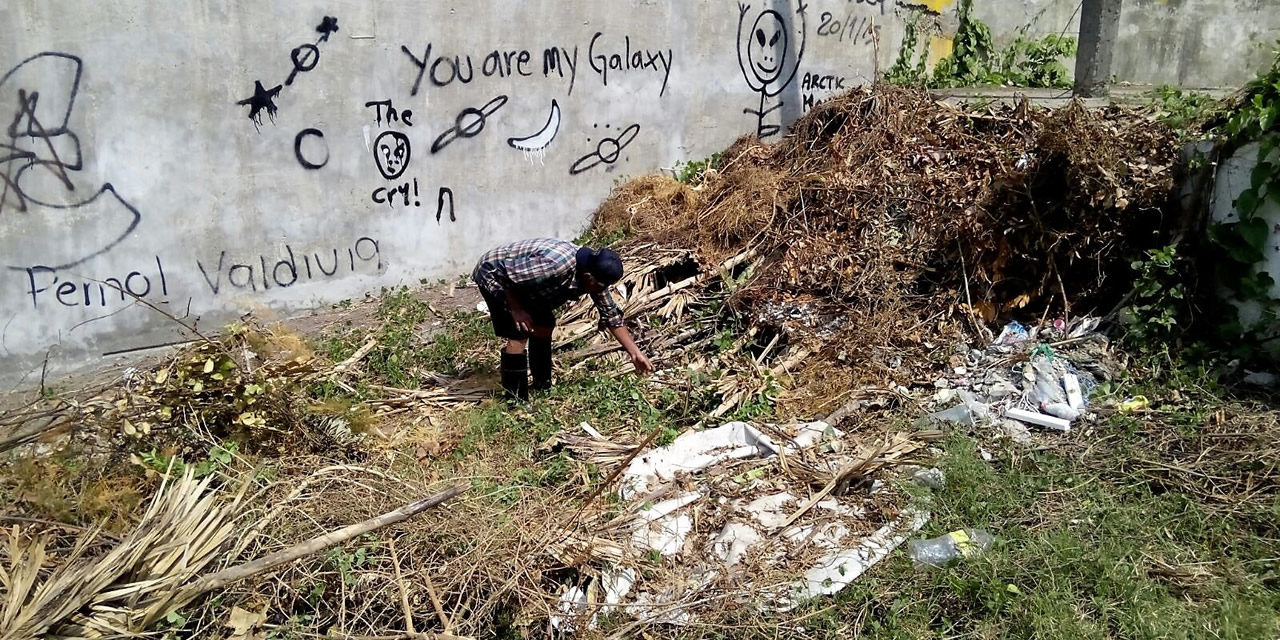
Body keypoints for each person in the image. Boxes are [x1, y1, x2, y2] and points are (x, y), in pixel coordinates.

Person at [472, 238, 654, 400]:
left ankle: (541, 385)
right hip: (495, 273)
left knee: (544, 326)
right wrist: (516, 309)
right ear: (588, 277)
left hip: (529, 285)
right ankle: (515, 398)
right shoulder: (553, 265)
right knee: (519, 332)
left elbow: (611, 315)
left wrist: (634, 352)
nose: (602, 290)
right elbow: (507, 277)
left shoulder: (593, 276)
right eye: (601, 285)